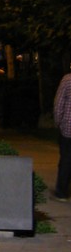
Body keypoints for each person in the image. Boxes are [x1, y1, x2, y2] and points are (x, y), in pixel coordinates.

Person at [53, 63, 71, 200]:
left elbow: (59, 105)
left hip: (67, 129)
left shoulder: (67, 80)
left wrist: (58, 122)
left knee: (66, 159)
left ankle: (62, 192)